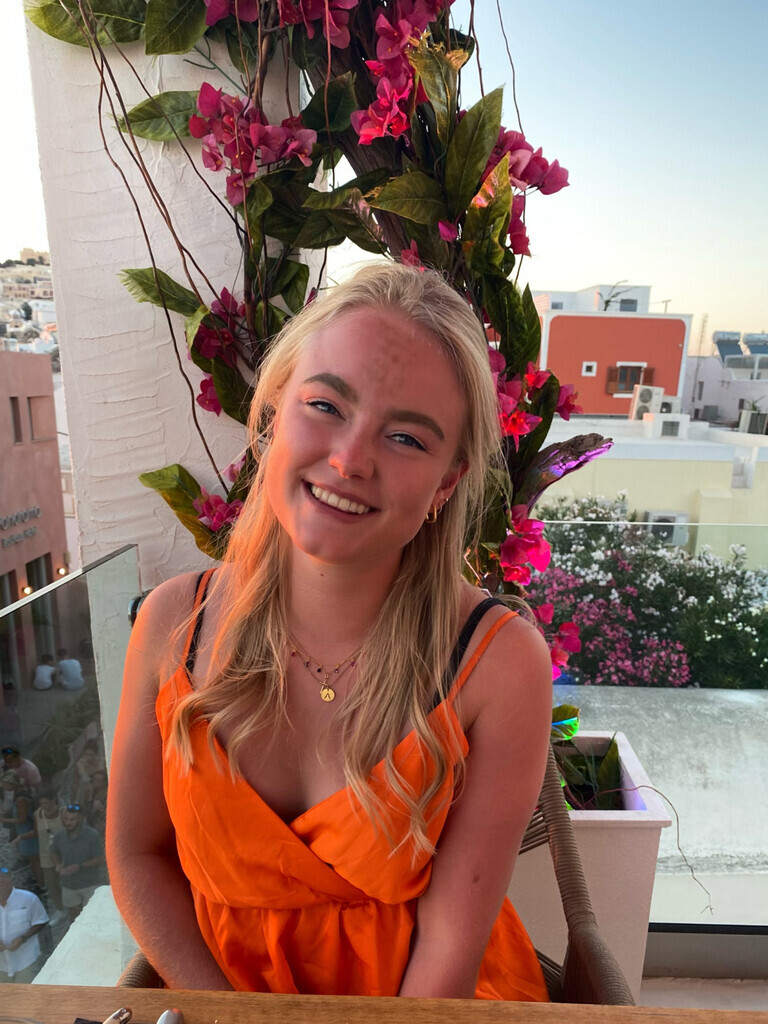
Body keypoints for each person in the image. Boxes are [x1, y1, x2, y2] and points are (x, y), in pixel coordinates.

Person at [107, 264, 552, 998]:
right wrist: (223, 1019)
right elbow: (136, 855)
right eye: (324, 405)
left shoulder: (498, 663)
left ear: (446, 483)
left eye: (406, 438)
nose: (349, 460)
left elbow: (450, 948)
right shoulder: (171, 623)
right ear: (273, 411)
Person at [50, 804, 105, 921]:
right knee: (74, 917)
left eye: (72, 819)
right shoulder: (59, 835)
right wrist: (57, 864)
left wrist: (79, 866)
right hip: (69, 884)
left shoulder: (92, 836)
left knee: (92, 917)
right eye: (66, 819)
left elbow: (101, 859)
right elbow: (54, 852)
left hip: (90, 883)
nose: (68, 822)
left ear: (80, 819)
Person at [0, 867, 49, 983]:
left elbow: (41, 921)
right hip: (1, 965)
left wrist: (23, 938)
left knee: (26, 992)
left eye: (1, 883)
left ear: (10, 881)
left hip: (26, 960)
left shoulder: (29, 898)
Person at [1, 770, 44, 889]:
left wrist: (3, 820)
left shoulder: (21, 800)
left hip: (27, 832)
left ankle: (41, 885)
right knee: (33, 860)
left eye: (5, 785)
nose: (4, 787)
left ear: (12, 784)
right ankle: (38, 880)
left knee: (34, 861)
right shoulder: (21, 792)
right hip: (25, 830)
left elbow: (22, 819)